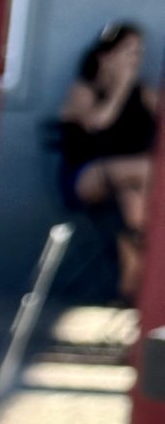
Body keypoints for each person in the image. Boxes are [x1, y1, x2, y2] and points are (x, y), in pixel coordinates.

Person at [59, 21, 158, 301]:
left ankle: (131, 284)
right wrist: (120, 87)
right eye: (128, 51)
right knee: (151, 171)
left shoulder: (145, 93)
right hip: (86, 177)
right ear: (106, 55)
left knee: (133, 200)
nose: (135, 60)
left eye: (139, 52)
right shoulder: (83, 90)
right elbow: (97, 124)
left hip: (128, 181)